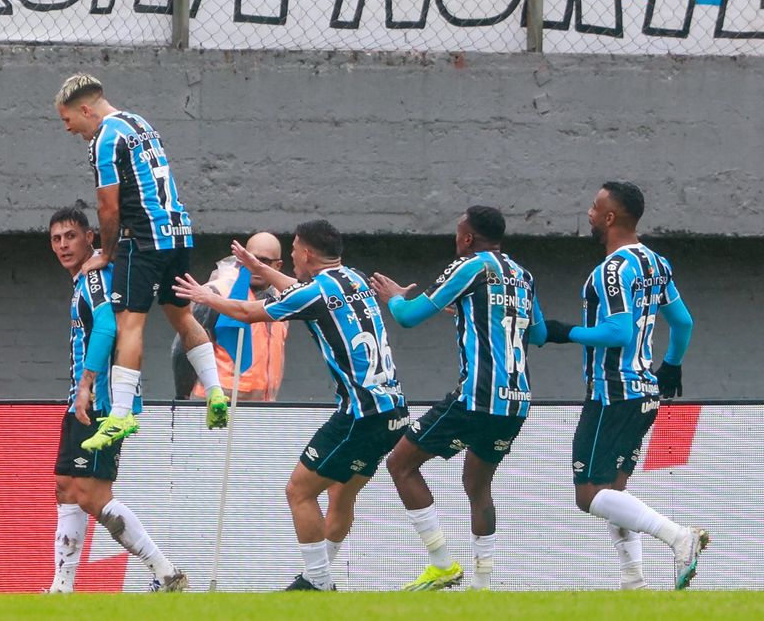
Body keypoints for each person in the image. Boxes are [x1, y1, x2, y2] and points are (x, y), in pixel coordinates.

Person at [173, 220, 409, 592]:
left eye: (295, 249)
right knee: (340, 494)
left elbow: (250, 313)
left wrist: (205, 297)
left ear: (307, 254)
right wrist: (260, 268)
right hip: (393, 409)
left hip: (360, 414)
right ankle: (319, 578)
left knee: (298, 491)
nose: (293, 255)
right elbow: (301, 290)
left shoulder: (313, 292)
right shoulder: (354, 278)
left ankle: (317, 582)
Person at [369, 206, 546, 591]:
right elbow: (538, 332)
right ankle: (482, 586)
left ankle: (442, 564)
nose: (456, 239)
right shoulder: (522, 275)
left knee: (400, 464)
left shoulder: (470, 266)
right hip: (515, 400)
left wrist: (395, 297)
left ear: (467, 238)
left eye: (457, 233)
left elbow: (409, 317)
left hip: (476, 397)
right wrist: (469, 311)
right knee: (478, 485)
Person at [540, 181, 704, 590]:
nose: (590, 214)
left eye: (595, 208)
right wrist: (672, 365)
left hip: (613, 391)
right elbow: (683, 322)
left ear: (610, 217)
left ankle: (678, 536)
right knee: (614, 491)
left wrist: (563, 332)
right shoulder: (655, 262)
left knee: (588, 494)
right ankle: (633, 582)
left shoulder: (611, 270)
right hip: (645, 390)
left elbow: (616, 331)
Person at [55, 74, 229, 452]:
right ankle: (215, 391)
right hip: (179, 232)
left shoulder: (104, 139)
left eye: (69, 121)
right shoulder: (139, 123)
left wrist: (107, 252)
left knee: (128, 323)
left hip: (145, 239)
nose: (70, 130)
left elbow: (108, 205)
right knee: (182, 316)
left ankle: (119, 414)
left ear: (86, 109)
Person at [46, 207, 187, 593]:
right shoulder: (83, 281)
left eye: (71, 236)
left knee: (93, 495)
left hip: (100, 401)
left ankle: (165, 571)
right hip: (82, 399)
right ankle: (62, 586)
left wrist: (88, 385)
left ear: (90, 237)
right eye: (56, 239)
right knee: (64, 484)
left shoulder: (94, 278)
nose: (63, 245)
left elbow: (108, 326)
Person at [171, 232, 289, 401]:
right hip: (216, 401)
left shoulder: (282, 299)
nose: (255, 265)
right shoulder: (217, 292)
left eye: (264, 261)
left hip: (263, 404)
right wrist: (183, 397)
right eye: (251, 258)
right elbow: (183, 348)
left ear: (278, 265)